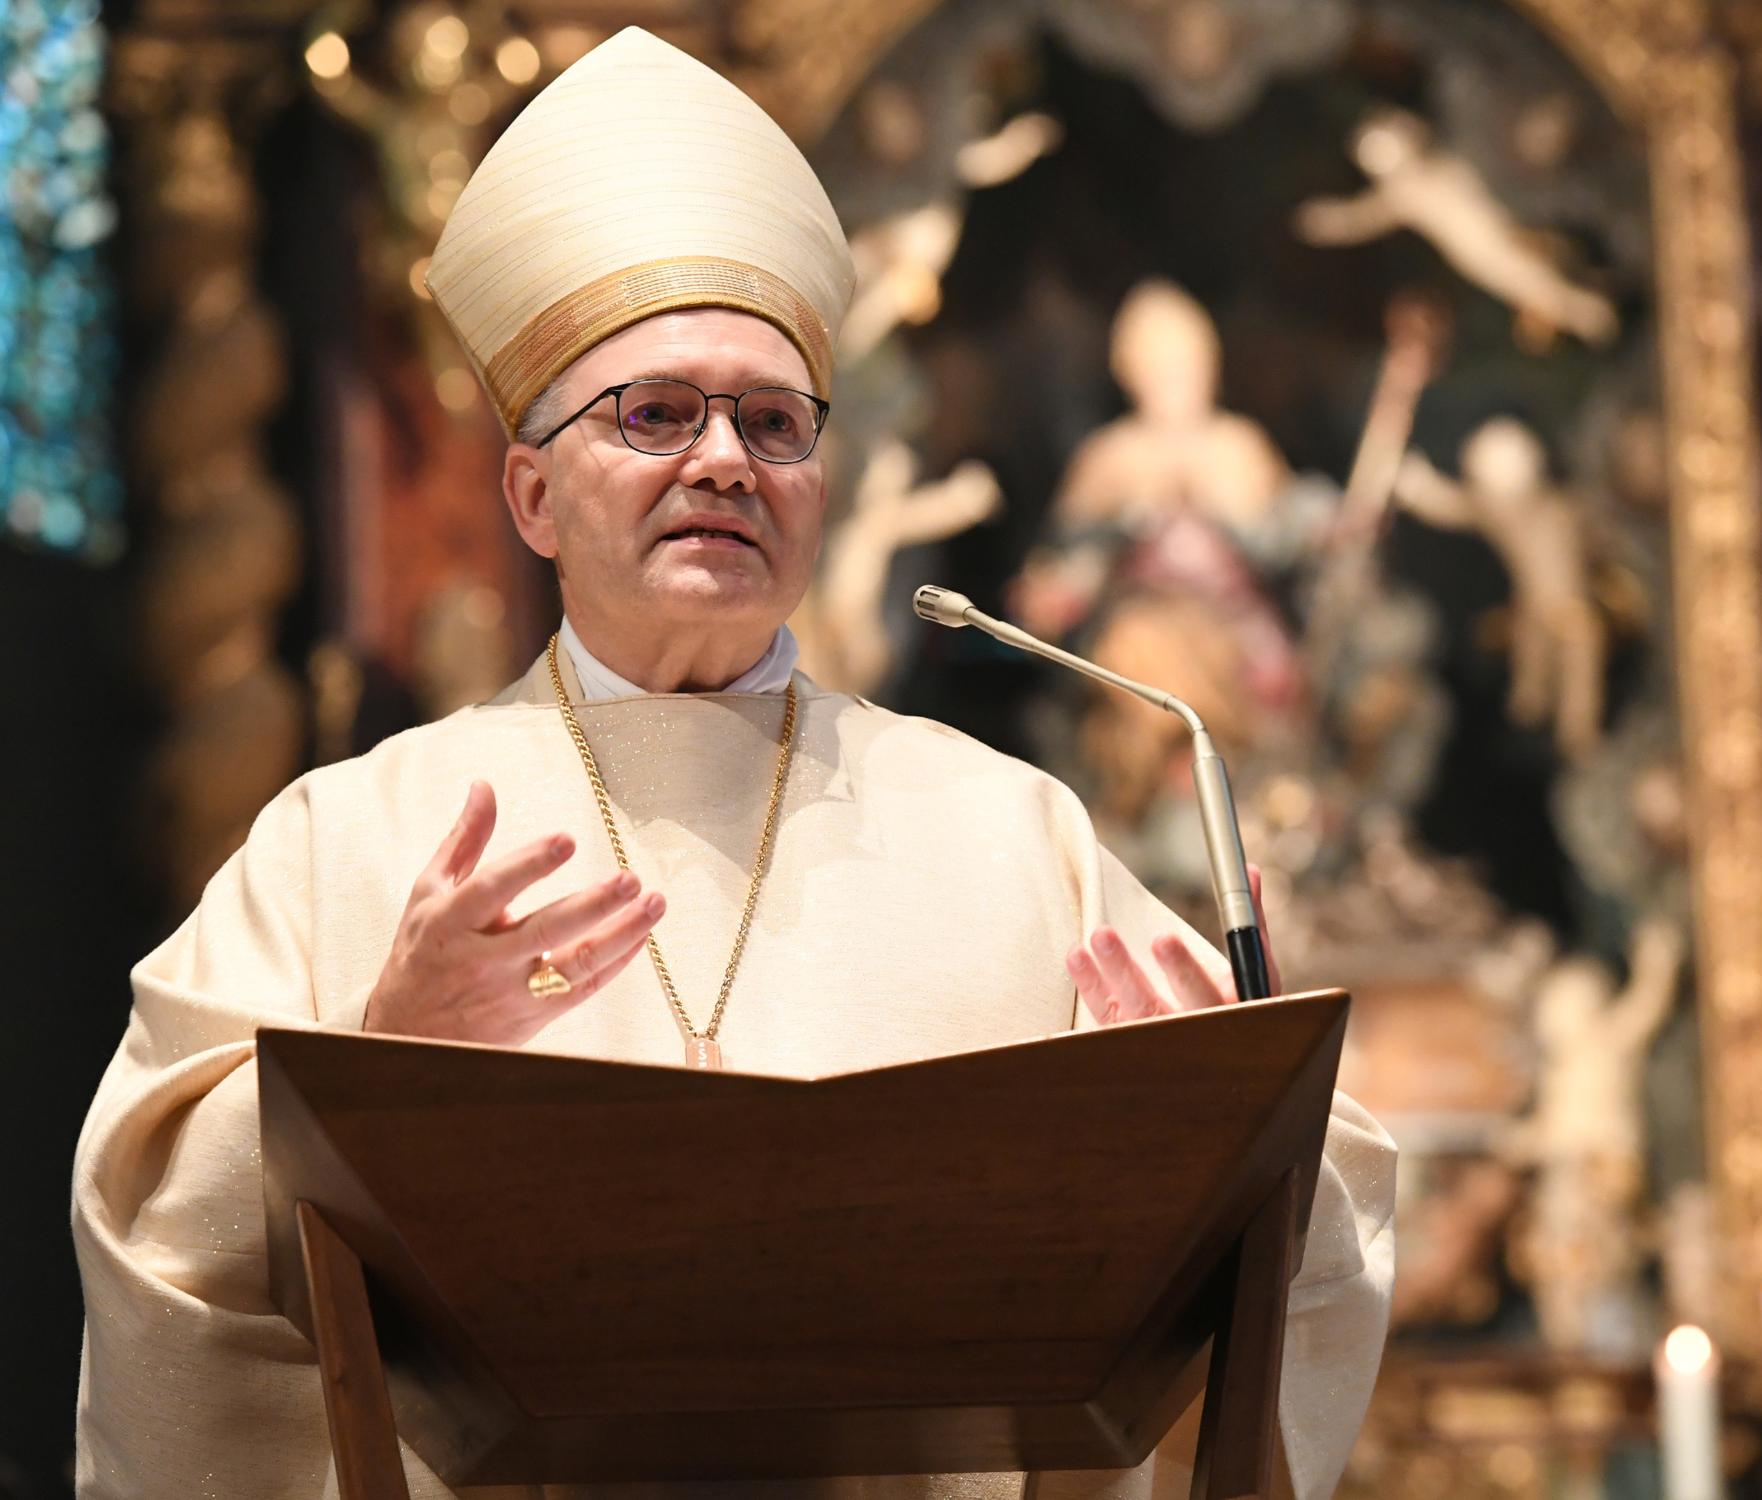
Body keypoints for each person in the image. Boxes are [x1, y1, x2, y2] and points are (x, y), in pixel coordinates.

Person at [72, 28, 1395, 1499]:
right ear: (530, 494)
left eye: (775, 422)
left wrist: (1231, 1130)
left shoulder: (1009, 835)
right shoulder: (354, 840)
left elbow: (1315, 1219)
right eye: (656, 414)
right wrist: (364, 1080)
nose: (725, 461)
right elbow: (151, 1232)